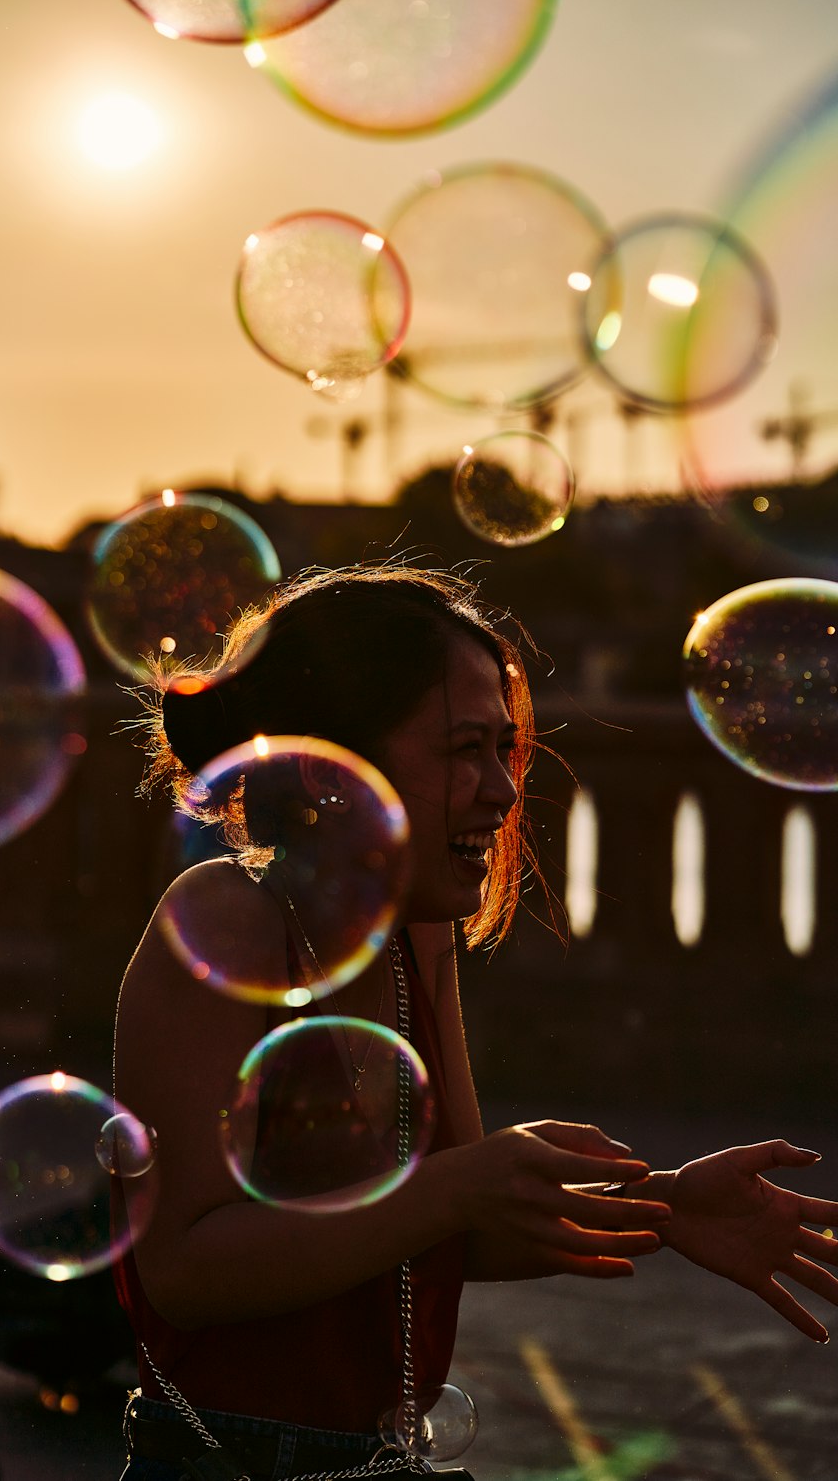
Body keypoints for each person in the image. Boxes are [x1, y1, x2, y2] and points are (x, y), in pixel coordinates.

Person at [112, 562, 838, 1481]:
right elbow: (182, 1267)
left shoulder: (417, 939)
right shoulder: (227, 922)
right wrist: (461, 1186)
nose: (503, 791)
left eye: (505, 748)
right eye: (465, 750)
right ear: (338, 766)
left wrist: (662, 1204)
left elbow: (450, 1226)